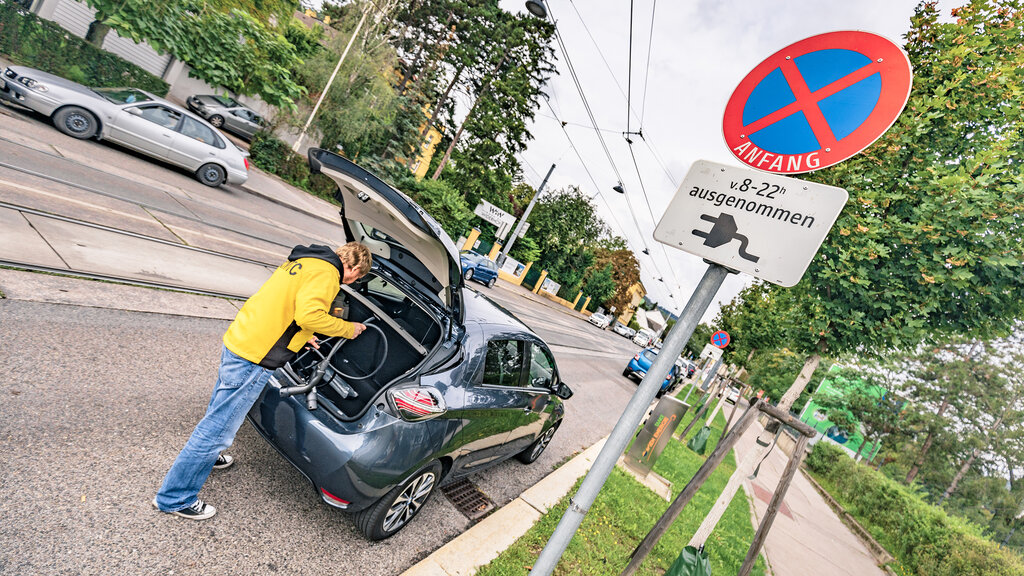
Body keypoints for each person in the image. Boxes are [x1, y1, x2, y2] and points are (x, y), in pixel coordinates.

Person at [153, 242, 372, 520]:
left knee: (219, 410)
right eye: (356, 277)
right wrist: (347, 329)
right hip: (255, 356)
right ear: (352, 267)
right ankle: (174, 497)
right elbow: (310, 315)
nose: (351, 282)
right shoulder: (328, 274)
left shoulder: (306, 262)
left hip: (242, 338)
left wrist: (303, 336)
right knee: (218, 430)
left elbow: (286, 307)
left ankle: (203, 461)